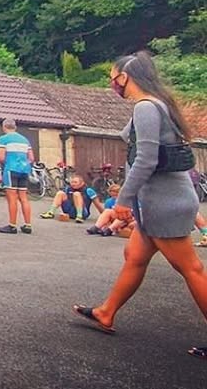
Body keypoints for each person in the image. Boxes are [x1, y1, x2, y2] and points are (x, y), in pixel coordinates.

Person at [72, 52, 205, 361]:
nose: (112, 82)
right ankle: (106, 312)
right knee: (134, 256)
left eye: (114, 76)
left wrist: (122, 201)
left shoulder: (147, 107)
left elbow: (144, 159)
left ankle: (107, 311)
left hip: (163, 202)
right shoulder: (158, 105)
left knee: (191, 268)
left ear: (126, 77)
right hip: (160, 199)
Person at [0, 118, 35, 235]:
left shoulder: (3, 139)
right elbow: (31, 158)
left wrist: (4, 164)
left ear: (4, 127)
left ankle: (12, 225)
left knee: (12, 197)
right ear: (15, 127)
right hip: (24, 170)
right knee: (23, 197)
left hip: (11, 169)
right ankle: (28, 225)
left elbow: (1, 157)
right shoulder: (25, 140)